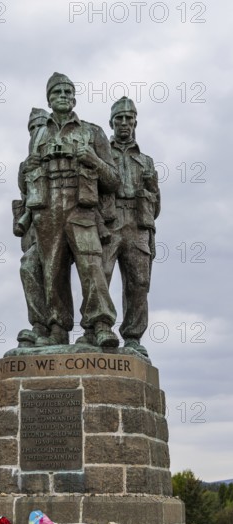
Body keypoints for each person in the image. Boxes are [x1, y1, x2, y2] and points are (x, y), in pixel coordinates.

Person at [22, 72, 120, 347]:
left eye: (67, 92)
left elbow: (114, 181)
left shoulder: (92, 131)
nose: (62, 97)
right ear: (49, 100)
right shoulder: (39, 134)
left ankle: (100, 325)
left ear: (74, 98)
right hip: (48, 207)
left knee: (92, 266)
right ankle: (56, 329)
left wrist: (92, 160)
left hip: (81, 207)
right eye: (57, 93)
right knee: (52, 270)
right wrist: (25, 170)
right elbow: (28, 175)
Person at [102, 96, 161, 357]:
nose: (124, 123)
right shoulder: (103, 152)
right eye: (119, 118)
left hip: (138, 224)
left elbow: (157, 207)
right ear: (112, 122)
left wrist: (151, 187)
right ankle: (99, 328)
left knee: (139, 282)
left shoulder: (146, 161)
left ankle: (133, 337)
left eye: (129, 118)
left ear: (136, 121)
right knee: (99, 274)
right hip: (110, 220)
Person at [12, 108, 50, 347]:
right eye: (33, 128)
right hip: (37, 230)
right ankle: (40, 325)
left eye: (41, 126)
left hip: (71, 223)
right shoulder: (25, 165)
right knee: (29, 267)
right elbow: (24, 193)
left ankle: (92, 328)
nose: (37, 132)